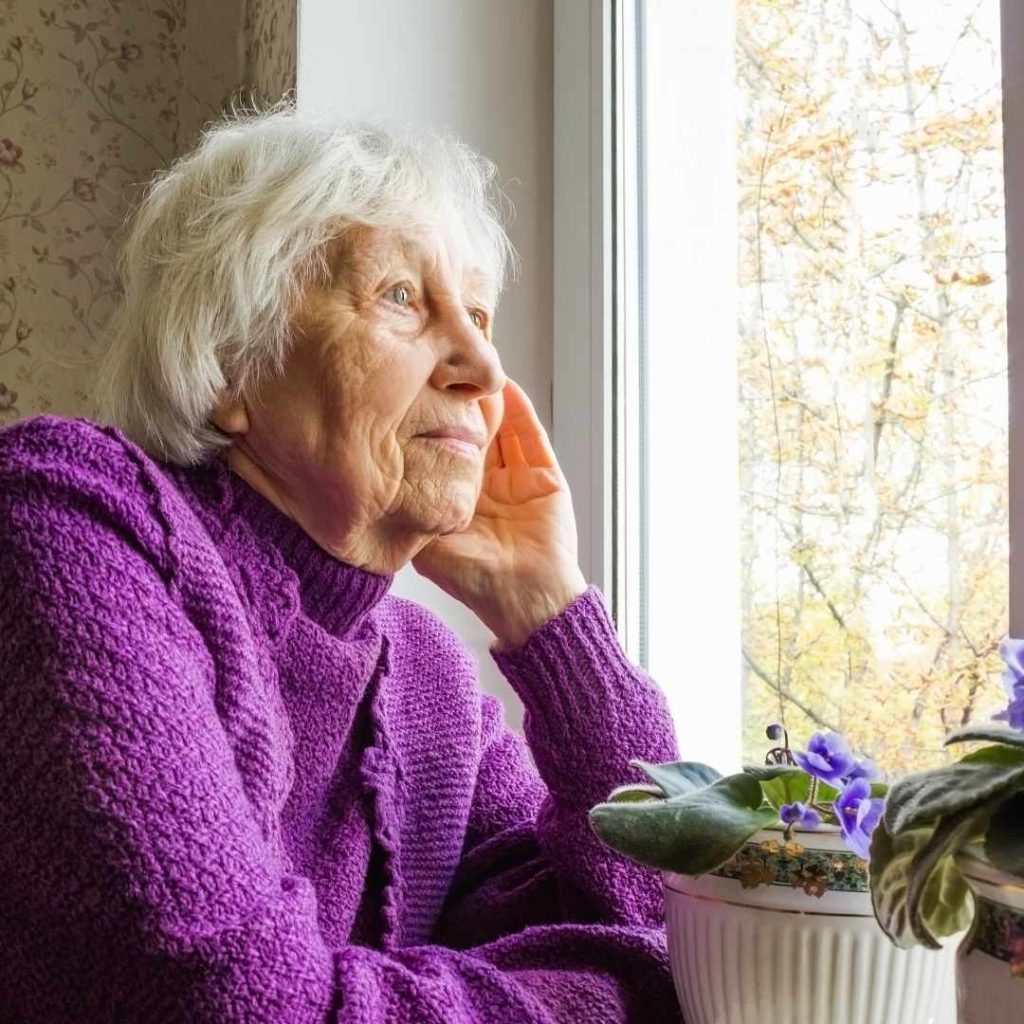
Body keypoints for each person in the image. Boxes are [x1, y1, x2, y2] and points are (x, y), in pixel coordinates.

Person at [0, 104, 682, 1022]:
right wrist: (619, 997)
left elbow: (653, 924)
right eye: (401, 296)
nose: (483, 364)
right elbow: (229, 1000)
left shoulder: (428, 680)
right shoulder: (75, 522)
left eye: (479, 314)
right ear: (233, 358)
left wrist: (553, 619)